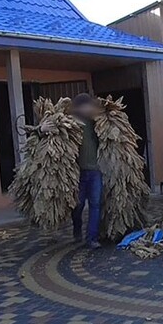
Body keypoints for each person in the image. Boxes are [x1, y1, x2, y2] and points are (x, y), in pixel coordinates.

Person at [40, 93, 102, 249]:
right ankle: (77, 230)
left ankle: (92, 238)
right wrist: (41, 129)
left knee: (95, 204)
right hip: (78, 172)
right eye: (85, 105)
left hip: (96, 171)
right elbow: (48, 132)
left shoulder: (98, 123)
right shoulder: (69, 122)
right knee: (78, 205)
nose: (88, 108)